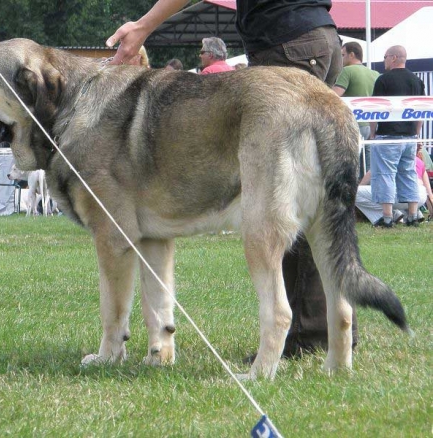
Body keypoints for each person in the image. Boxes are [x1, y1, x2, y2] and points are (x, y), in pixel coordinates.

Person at [107, 0, 354, 359]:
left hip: (285, 40)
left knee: (279, 205)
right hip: (322, 37)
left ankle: (302, 336)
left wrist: (144, 26)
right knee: (316, 203)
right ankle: (327, 335)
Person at [368, 45, 425, 228]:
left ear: (393, 58)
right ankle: (413, 214)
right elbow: (420, 112)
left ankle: (387, 217)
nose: (384, 61)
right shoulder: (417, 81)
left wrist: (372, 132)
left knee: (385, 174)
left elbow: (376, 110)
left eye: (385, 57)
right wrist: (416, 135)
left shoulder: (383, 80)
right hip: (409, 136)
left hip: (388, 136)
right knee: (408, 173)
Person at [333, 42, 380, 178]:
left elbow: (335, 94)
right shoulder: (375, 73)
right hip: (371, 125)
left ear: (352, 55)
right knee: (369, 167)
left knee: (352, 166)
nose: (341, 59)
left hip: (353, 123)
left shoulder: (347, 71)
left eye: (343, 55)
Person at [356, 152, 431, 226]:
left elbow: (371, 174)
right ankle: (414, 213)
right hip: (420, 197)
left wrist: (359, 186)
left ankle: (391, 215)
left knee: (355, 194)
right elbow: (429, 193)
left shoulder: (387, 157)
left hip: (400, 196)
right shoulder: (419, 161)